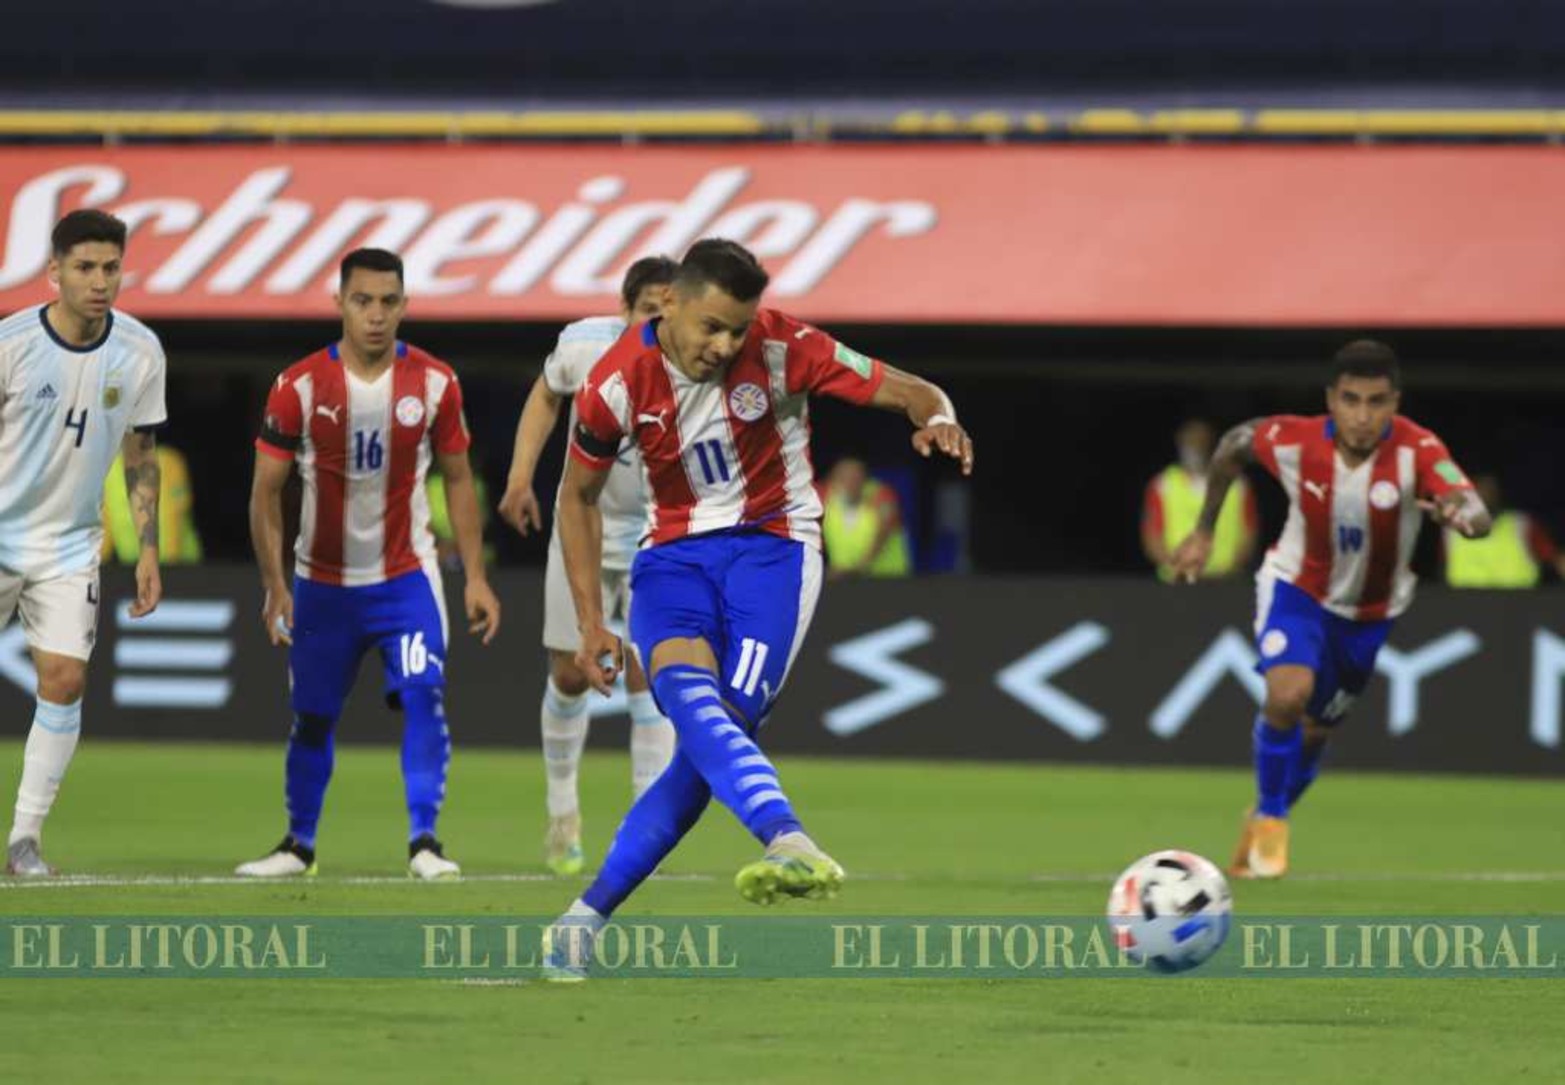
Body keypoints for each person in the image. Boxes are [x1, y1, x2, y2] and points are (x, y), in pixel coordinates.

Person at [541, 239, 973, 980]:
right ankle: (786, 836)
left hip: (774, 551)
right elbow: (574, 496)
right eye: (712, 325)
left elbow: (909, 389)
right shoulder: (614, 381)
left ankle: (581, 920)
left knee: (719, 730)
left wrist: (939, 416)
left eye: (736, 329)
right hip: (671, 560)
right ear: (669, 301)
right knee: (695, 714)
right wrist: (589, 619)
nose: (724, 344)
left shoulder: (783, 345)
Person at [1170, 340, 1489, 880]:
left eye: (1377, 402)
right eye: (1351, 400)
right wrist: (1203, 530)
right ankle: (1272, 818)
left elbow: (1475, 510)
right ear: (1331, 400)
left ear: (1395, 403)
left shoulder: (1419, 452)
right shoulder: (1293, 439)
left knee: (1317, 731)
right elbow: (1233, 445)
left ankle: (1269, 810)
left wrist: (1463, 515)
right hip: (1297, 588)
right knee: (1287, 694)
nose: (1363, 416)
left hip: (1369, 613)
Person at [238, 248, 500, 880]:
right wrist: (276, 587)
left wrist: (478, 576)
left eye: (388, 302)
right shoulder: (299, 386)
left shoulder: (436, 383)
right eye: (363, 301)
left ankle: (425, 843)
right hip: (321, 585)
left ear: (405, 305)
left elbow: (459, 479)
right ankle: (298, 846)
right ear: (340, 304)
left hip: (406, 579)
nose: (376, 316)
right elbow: (264, 493)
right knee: (313, 716)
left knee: (423, 695)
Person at [497, 257, 677, 876]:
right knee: (571, 677)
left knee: (649, 672)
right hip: (584, 530)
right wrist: (521, 476)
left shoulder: (698, 363)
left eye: (670, 308)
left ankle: (646, 825)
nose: (662, 320)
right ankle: (562, 812)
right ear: (624, 309)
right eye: (651, 308)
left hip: (661, 535)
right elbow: (547, 395)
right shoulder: (583, 345)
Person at [0, 210, 166, 876]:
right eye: (84, 267)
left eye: (110, 267)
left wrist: (147, 547)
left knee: (64, 681)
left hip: (70, 545)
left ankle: (24, 840)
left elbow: (141, 451)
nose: (100, 281)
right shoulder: (11, 343)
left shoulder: (141, 351)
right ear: (54, 272)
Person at [1141, 418, 1257, 581]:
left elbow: (1249, 534)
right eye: (1189, 443)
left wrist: (1229, 569)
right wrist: (1179, 567)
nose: (1194, 449)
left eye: (1200, 443)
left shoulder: (1238, 485)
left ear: (1213, 446)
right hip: (1177, 581)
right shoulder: (1162, 484)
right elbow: (1152, 538)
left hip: (1226, 581)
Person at [1443, 473, 1565, 588]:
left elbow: (1556, 559)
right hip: (1463, 605)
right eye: (1478, 492)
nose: (1484, 497)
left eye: (1489, 492)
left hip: (1519, 605)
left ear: (1498, 495)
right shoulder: (1450, 531)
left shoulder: (1521, 525)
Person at [102, 443, 202, 564]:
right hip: (133, 570)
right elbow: (104, 526)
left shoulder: (169, 461)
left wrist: (170, 573)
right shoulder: (109, 470)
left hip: (181, 566)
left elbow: (173, 521)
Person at [820, 456, 912, 578]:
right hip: (844, 580)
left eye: (855, 477)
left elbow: (883, 532)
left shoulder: (882, 495)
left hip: (888, 578)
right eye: (843, 477)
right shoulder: (825, 497)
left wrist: (858, 568)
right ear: (833, 479)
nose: (850, 483)